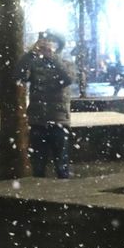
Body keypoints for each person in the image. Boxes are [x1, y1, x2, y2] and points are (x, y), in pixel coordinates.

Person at [18, 32, 75, 178]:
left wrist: (53, 57)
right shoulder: (35, 64)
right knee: (38, 164)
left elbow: (68, 78)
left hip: (59, 120)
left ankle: (64, 194)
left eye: (51, 41)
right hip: (38, 120)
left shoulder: (65, 62)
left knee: (61, 164)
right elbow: (18, 75)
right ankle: (39, 195)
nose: (47, 45)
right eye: (45, 41)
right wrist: (30, 54)